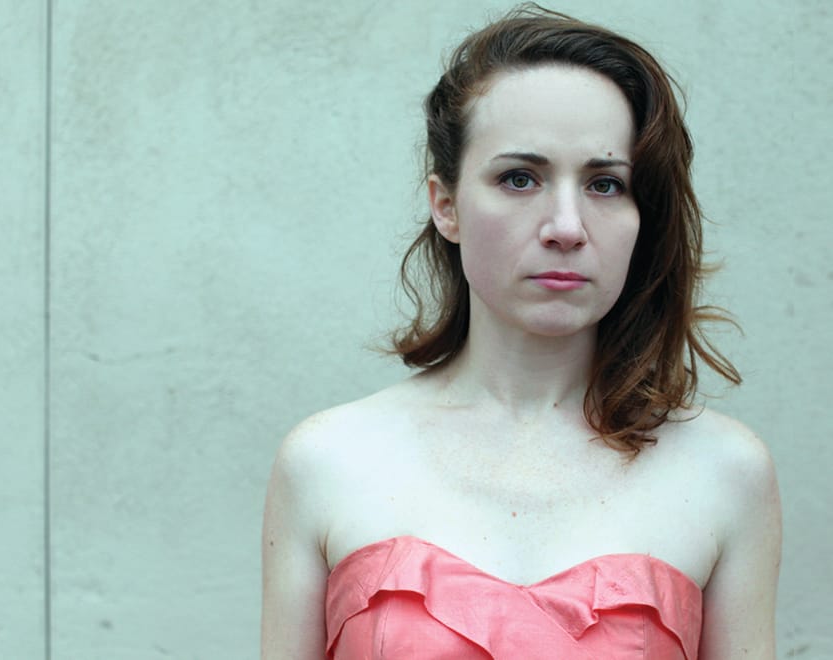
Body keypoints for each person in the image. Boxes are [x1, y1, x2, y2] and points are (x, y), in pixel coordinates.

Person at [261, 5, 781, 659]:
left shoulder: (723, 472)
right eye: (519, 178)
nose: (565, 225)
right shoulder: (327, 462)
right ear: (445, 205)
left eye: (604, 183)